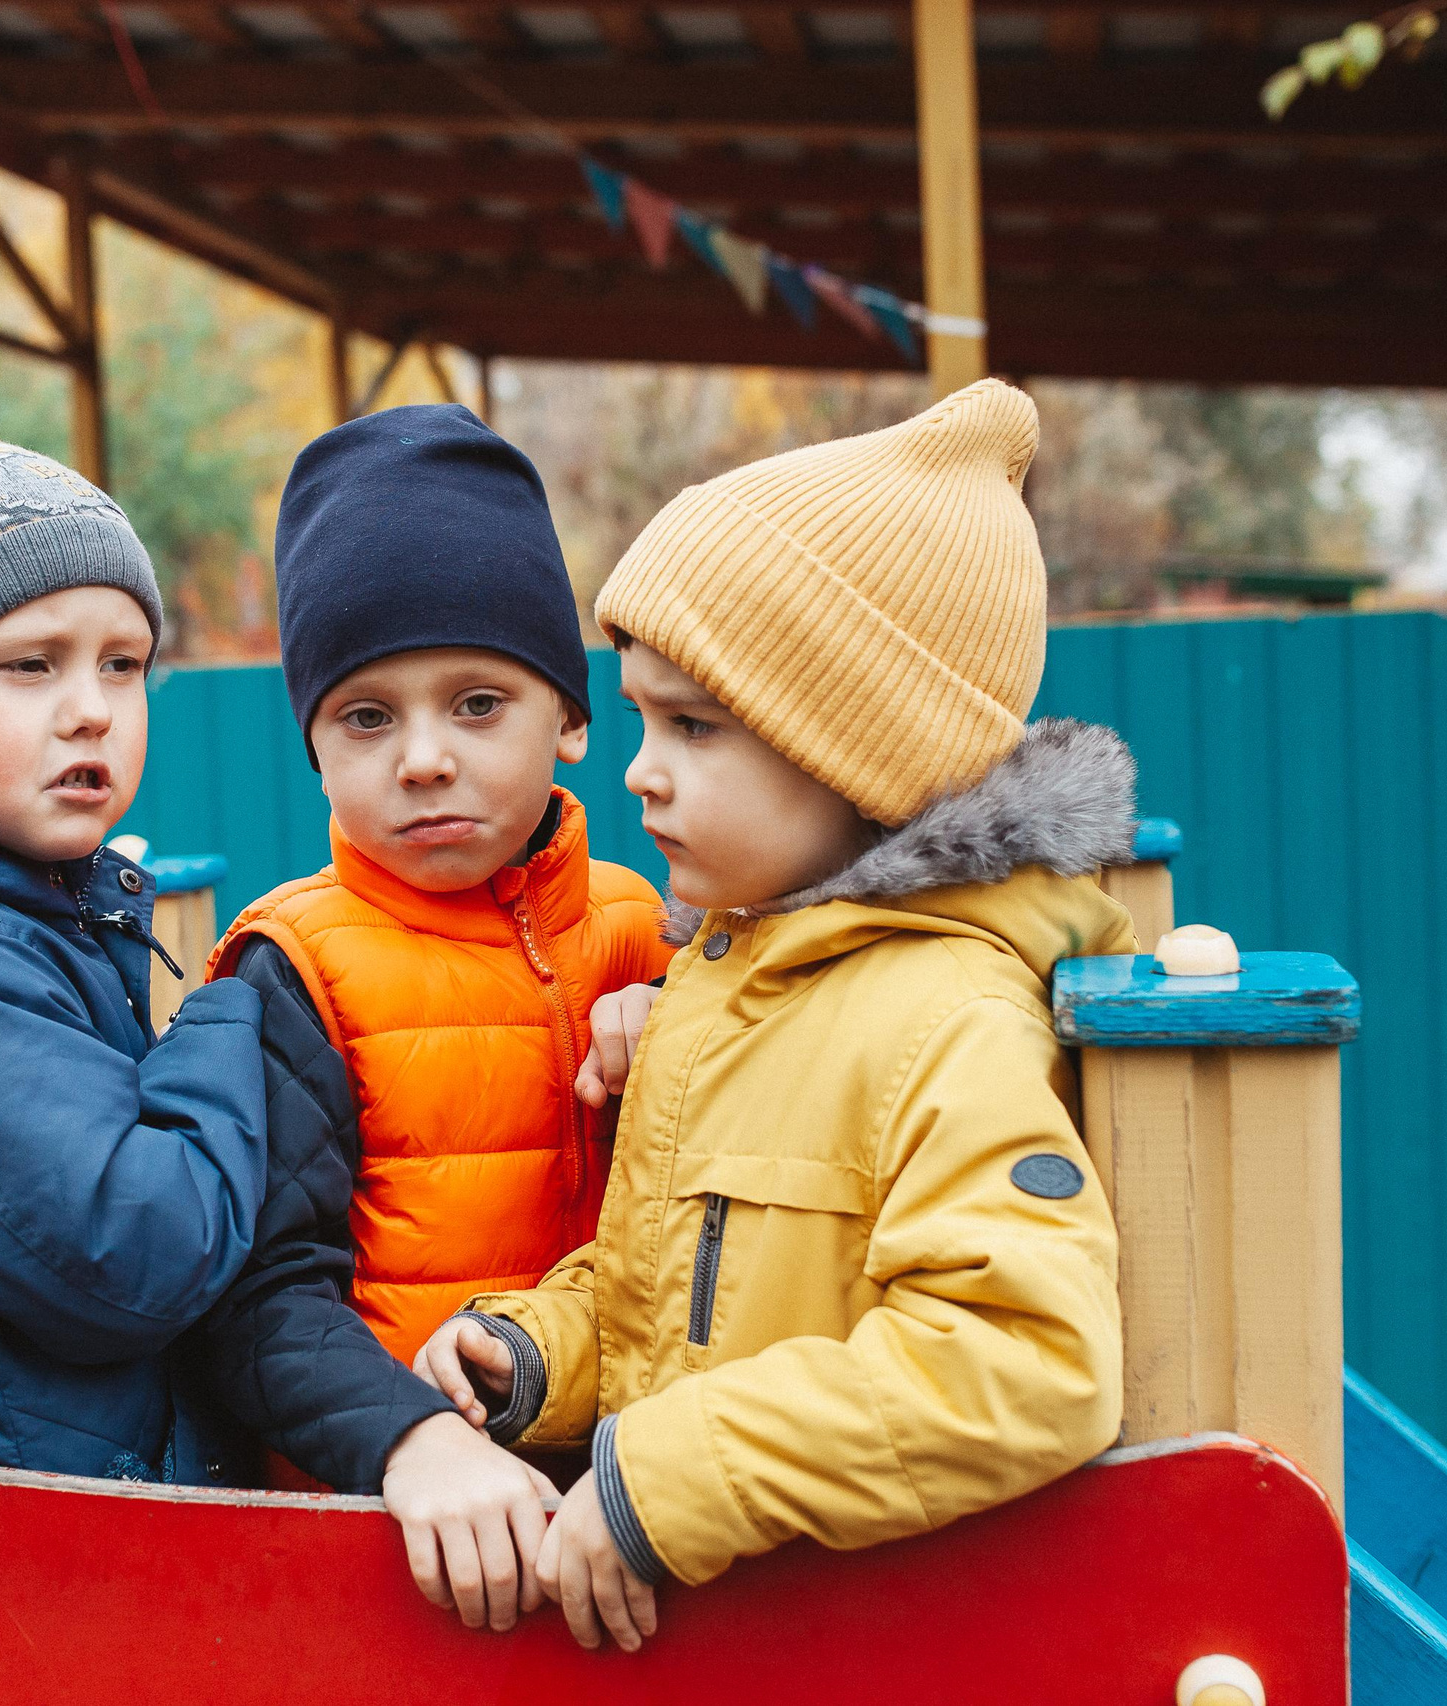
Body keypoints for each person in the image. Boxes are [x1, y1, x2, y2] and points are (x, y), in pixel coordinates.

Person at [0, 443, 539, 1620]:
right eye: (28, 664)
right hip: (4, 1574)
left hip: (63, 1540)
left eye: (124, 664)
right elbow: (144, 1249)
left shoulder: (11, 917)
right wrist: (239, 1004)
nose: (91, 707)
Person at [414, 381, 1138, 1652]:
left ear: (861, 755)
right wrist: (534, 1354)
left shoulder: (941, 1017)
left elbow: (1022, 1359)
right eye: (641, 715)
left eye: (693, 726)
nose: (640, 766)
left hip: (853, 1642)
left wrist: (671, 1480)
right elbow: (675, 1288)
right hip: (719, 1635)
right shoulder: (723, 983)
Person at [203, 406, 675, 1615]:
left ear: (571, 718)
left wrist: (687, 1038)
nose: (422, 756)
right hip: (393, 1541)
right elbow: (258, 1299)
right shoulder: (296, 964)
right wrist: (414, 1441)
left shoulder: (651, 930)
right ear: (315, 746)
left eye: (477, 703)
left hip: (645, 1524)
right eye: (367, 715)